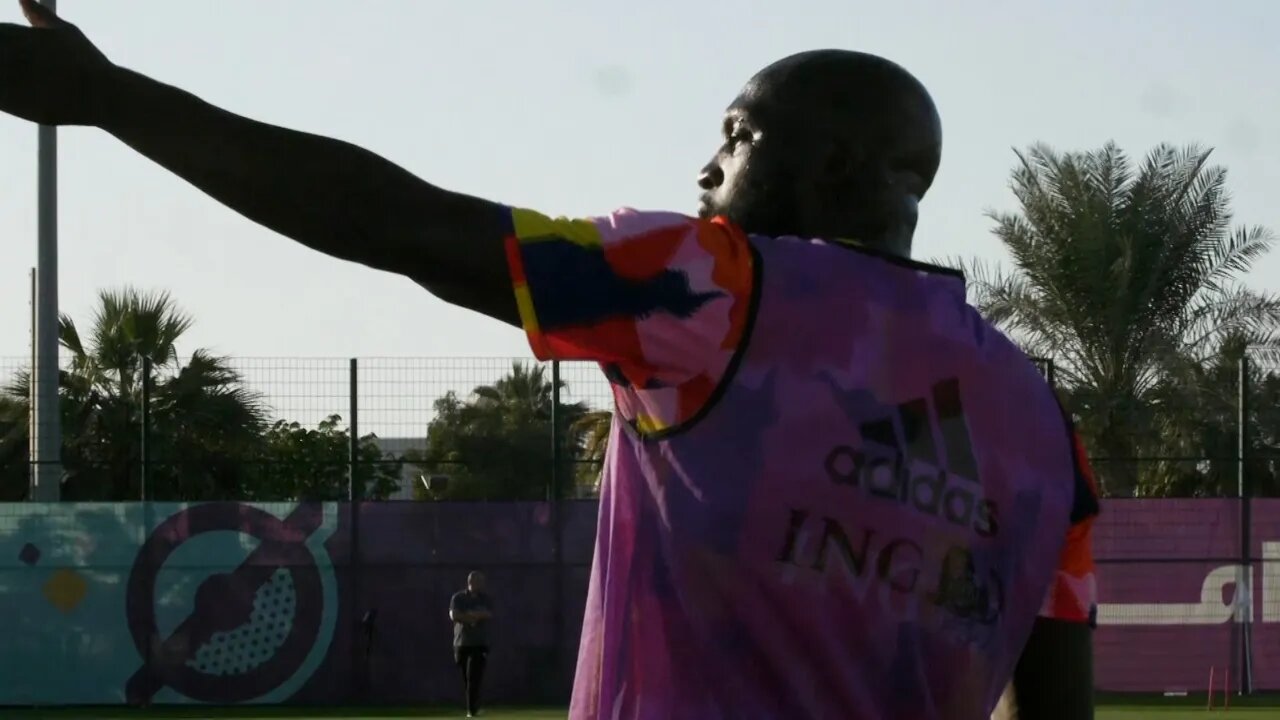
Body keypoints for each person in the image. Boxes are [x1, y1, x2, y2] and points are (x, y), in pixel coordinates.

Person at [0, 2, 1098, 717]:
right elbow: (1049, 713)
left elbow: (400, 224)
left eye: (732, 134)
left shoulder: (713, 288)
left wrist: (109, 100)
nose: (705, 166)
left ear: (833, 162)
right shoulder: (1044, 430)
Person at [449, 571, 493, 718]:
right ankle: (474, 705)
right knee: (467, 678)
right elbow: (454, 615)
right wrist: (472, 617)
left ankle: (471, 710)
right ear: (471, 582)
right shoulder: (458, 598)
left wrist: (468, 615)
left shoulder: (485, 599)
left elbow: (487, 613)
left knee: (474, 676)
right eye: (479, 581)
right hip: (462, 643)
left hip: (479, 644)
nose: (481, 584)